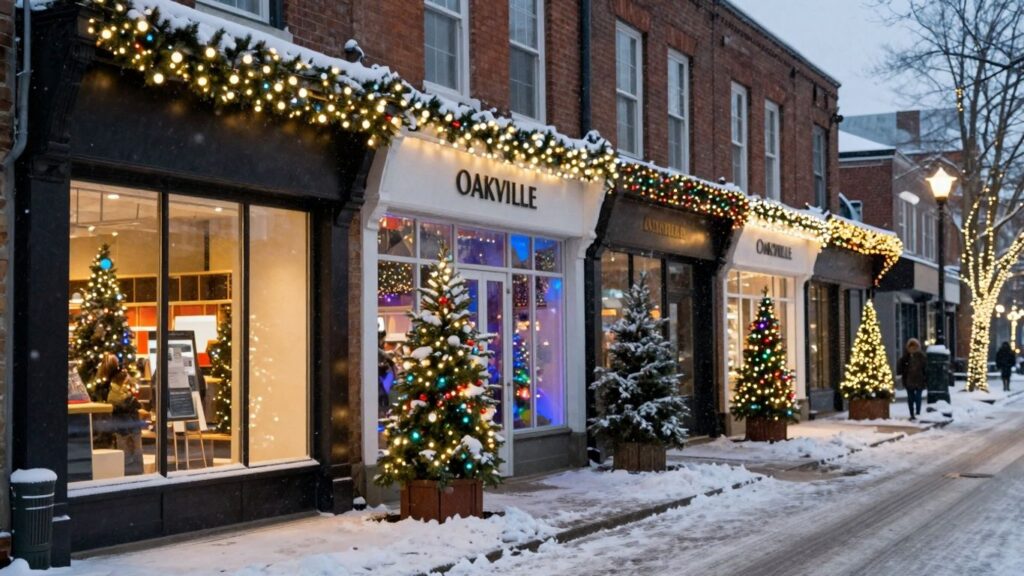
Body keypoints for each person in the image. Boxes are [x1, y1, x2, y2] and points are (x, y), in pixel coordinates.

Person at [898, 338, 927, 421]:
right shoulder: (906, 357)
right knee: (910, 398)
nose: (912, 348)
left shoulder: (921, 357)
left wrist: (925, 379)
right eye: (911, 347)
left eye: (914, 347)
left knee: (918, 397)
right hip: (909, 381)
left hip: (919, 380)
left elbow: (925, 368)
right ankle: (912, 413)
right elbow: (901, 368)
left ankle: (917, 412)